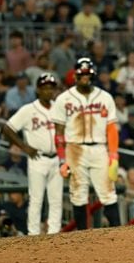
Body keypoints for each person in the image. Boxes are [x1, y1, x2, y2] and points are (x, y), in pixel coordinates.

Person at [52, 58, 121, 230]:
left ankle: (120, 234)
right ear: (75, 76)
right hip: (74, 148)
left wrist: (113, 154)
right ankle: (83, 238)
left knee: (108, 193)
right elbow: (59, 132)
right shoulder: (64, 99)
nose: (85, 78)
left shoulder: (105, 97)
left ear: (93, 76)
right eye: (81, 75)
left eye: (88, 75)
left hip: (99, 147)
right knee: (78, 195)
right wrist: (62, 160)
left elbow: (111, 128)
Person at [1, 73, 63, 235]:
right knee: (36, 199)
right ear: (38, 90)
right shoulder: (28, 110)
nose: (49, 91)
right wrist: (24, 147)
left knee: (56, 199)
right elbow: (8, 129)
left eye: (52, 88)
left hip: (56, 158)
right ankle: (33, 235)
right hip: (38, 159)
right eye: (45, 88)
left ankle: (54, 233)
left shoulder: (59, 108)